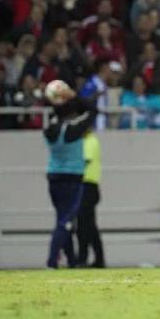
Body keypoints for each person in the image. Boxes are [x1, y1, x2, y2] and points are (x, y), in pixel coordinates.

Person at [41, 81, 96, 269]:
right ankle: (51, 260)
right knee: (65, 221)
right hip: (72, 178)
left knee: (62, 219)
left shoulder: (49, 129)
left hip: (53, 177)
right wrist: (73, 95)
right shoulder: (72, 129)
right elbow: (92, 111)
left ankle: (71, 261)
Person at [76, 130, 105, 268]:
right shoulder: (85, 141)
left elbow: (85, 161)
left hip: (88, 185)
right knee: (87, 225)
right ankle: (94, 259)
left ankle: (85, 258)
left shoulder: (91, 141)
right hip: (86, 186)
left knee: (86, 225)